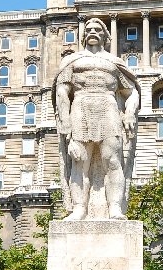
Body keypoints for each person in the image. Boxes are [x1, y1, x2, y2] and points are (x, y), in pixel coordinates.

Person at [53, 17, 140, 220]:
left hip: (108, 107)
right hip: (80, 108)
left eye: (97, 29)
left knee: (113, 160)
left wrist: (129, 112)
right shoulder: (72, 61)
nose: (92, 31)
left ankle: (115, 208)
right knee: (79, 162)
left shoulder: (114, 63)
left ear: (105, 35)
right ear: (84, 35)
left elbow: (132, 91)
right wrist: (65, 122)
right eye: (89, 29)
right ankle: (79, 209)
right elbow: (62, 92)